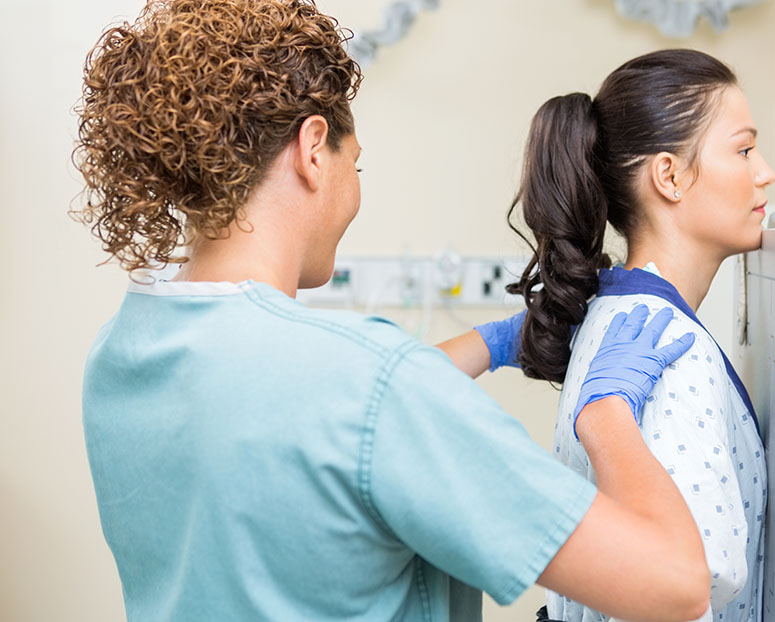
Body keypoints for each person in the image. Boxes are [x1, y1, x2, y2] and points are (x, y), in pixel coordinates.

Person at [72, 2, 712, 621]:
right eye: (357, 161)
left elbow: (304, 416)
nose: (356, 182)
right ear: (313, 149)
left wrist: (492, 343)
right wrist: (606, 412)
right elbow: (676, 582)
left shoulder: (122, 354)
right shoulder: (368, 386)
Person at [507, 49, 775, 622]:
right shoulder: (665, 345)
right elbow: (687, 587)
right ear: (670, 176)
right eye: (744, 149)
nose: (764, 172)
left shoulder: (623, 315)